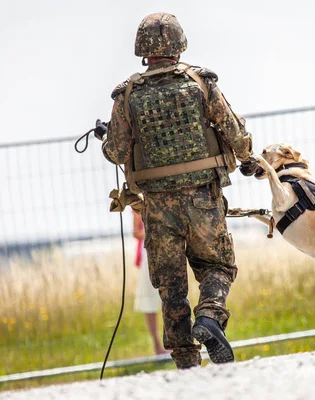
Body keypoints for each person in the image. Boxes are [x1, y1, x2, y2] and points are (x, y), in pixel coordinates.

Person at [96, 12, 257, 369]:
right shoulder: (201, 82)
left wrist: (106, 135)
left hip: (157, 206)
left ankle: (185, 360)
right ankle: (211, 316)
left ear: (143, 50)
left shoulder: (127, 95)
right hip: (203, 198)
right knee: (217, 264)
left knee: (170, 284)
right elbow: (233, 131)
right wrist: (248, 158)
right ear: (179, 45)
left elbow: (117, 153)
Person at [132, 210, 168, 355]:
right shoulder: (137, 205)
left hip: (168, 254)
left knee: (172, 298)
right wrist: (156, 234)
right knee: (150, 302)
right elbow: (136, 232)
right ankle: (158, 346)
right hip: (149, 256)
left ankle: (174, 342)